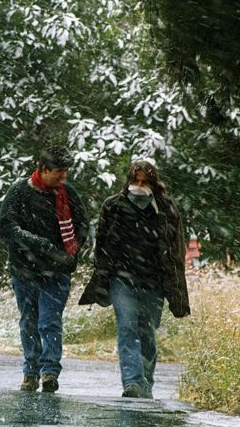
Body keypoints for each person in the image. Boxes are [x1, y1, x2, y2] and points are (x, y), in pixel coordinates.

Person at [79, 159, 190, 398]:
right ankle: (132, 382)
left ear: (153, 183)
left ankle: (146, 383)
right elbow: (103, 244)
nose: (139, 186)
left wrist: (175, 283)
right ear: (129, 181)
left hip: (154, 281)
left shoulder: (166, 208)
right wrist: (103, 274)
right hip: (122, 279)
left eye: (144, 182)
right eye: (135, 181)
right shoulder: (114, 205)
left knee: (147, 331)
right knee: (127, 327)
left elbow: (176, 246)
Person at [0, 146, 88, 393]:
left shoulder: (68, 194)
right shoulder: (19, 192)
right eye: (59, 172)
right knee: (29, 321)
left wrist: (72, 252)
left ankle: (49, 372)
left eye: (66, 172)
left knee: (50, 322)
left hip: (57, 271)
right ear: (43, 169)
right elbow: (6, 228)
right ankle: (30, 372)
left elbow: (82, 225)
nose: (63, 177)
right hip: (24, 271)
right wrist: (37, 244)